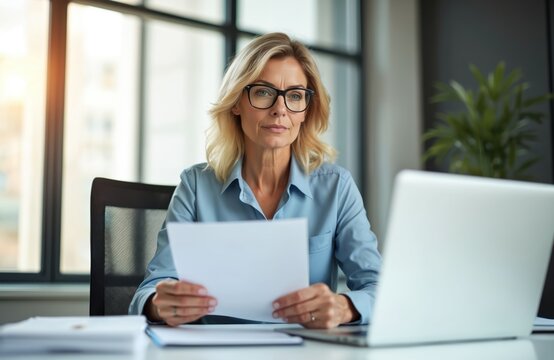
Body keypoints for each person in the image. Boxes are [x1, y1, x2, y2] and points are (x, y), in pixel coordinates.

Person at [129, 32, 381, 329]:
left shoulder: (336, 187)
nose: (280, 108)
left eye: (295, 96)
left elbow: (378, 290)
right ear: (236, 103)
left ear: (305, 112)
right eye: (263, 92)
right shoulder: (196, 186)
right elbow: (149, 290)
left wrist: (344, 307)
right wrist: (159, 304)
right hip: (216, 352)